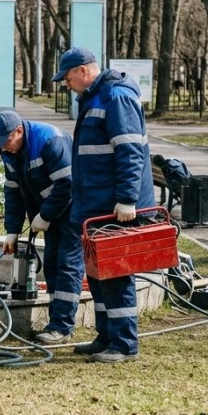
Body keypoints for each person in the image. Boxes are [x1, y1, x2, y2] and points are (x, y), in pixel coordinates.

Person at [53, 47, 155, 363]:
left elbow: (130, 152)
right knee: (98, 274)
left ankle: (124, 344)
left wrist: (127, 199)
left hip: (114, 207)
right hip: (95, 204)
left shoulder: (116, 97)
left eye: (67, 77)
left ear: (83, 71)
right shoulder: (96, 98)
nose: (66, 84)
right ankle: (107, 335)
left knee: (116, 274)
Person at [0, 110, 82, 345]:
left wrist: (45, 216)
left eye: (6, 141)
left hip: (74, 210)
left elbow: (68, 185)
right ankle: (57, 322)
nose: (3, 148)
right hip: (51, 212)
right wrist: (12, 230)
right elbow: (13, 192)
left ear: (19, 131)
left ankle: (62, 327)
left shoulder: (49, 140)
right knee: (51, 264)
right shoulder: (9, 152)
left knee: (67, 264)